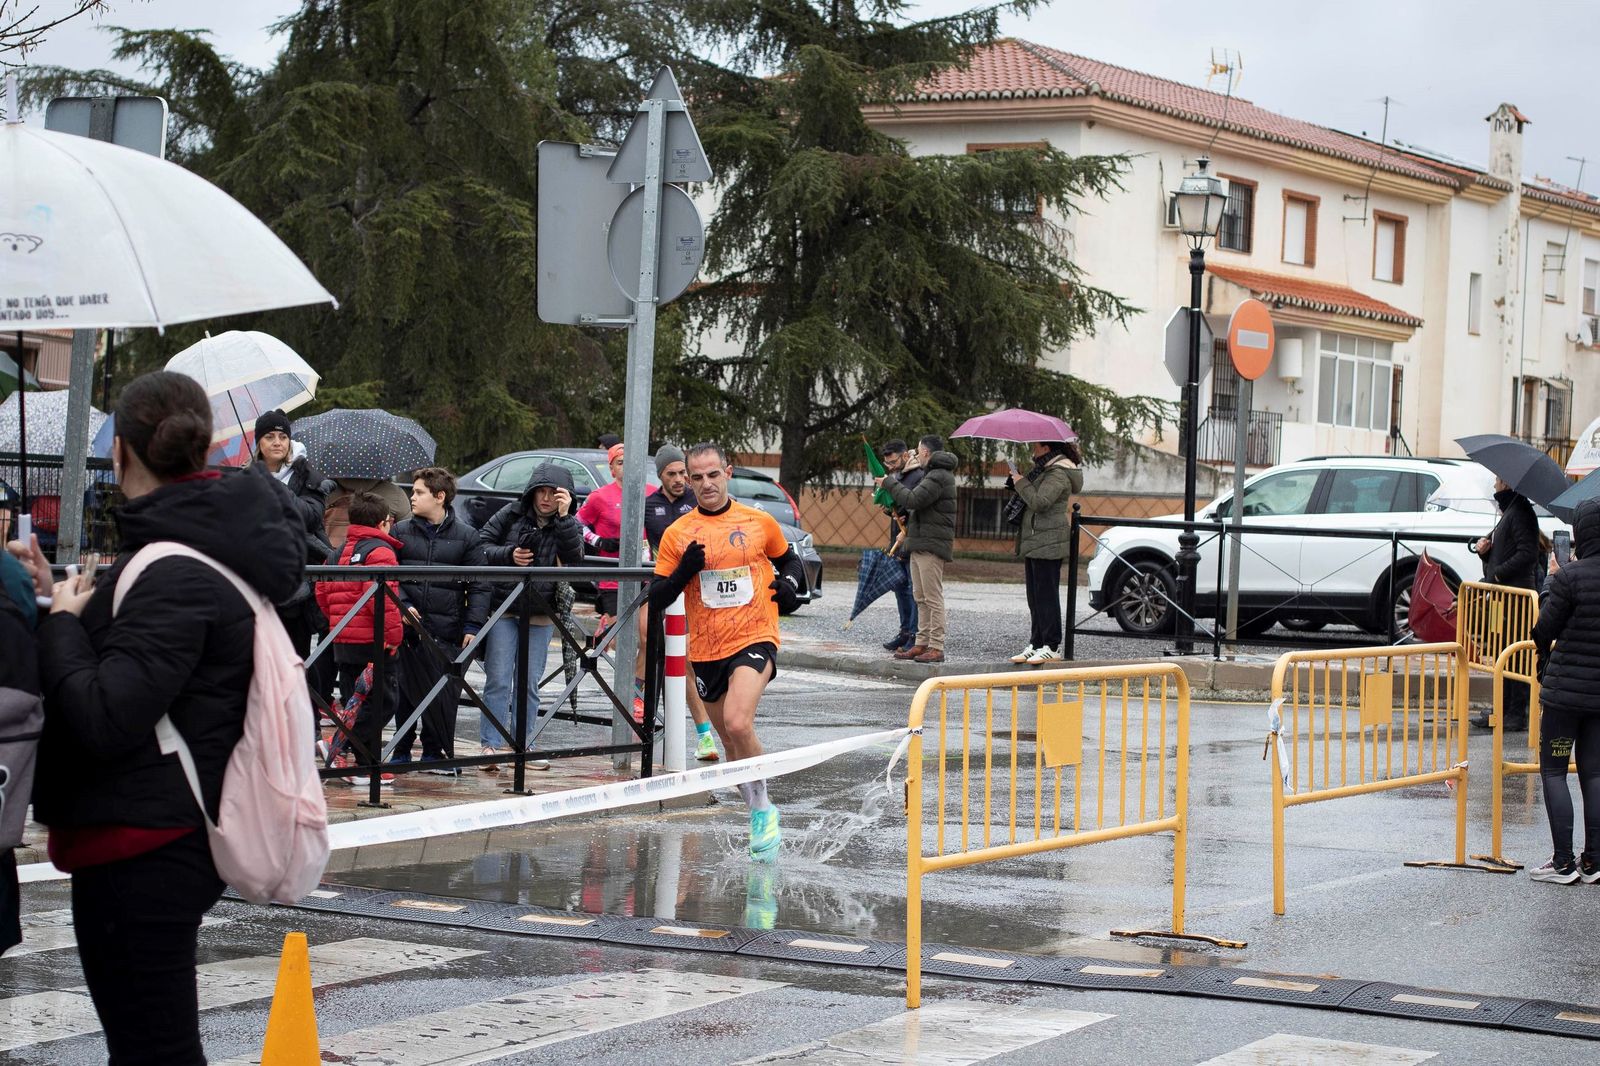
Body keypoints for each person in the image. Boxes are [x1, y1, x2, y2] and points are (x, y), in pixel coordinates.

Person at [14, 370, 302, 1063]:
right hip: (153, 832)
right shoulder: (194, 549)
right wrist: (65, 602)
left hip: (144, 843)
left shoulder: (175, 570)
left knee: (155, 1051)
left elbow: (107, 715)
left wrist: (60, 625)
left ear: (121, 455)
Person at [651, 442, 806, 860]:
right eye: (696, 477)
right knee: (728, 741)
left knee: (738, 723)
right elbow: (658, 594)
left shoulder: (758, 521)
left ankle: (761, 811)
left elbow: (791, 563)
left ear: (728, 473)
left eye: (712, 475)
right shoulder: (677, 534)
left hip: (755, 635)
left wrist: (790, 588)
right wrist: (685, 570)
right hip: (706, 648)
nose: (704, 484)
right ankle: (758, 806)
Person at [476, 463, 584, 768]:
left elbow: (576, 558)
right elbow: (482, 545)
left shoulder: (569, 523)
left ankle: (524, 745)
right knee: (497, 679)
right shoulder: (511, 514)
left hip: (541, 610)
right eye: (542, 492)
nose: (546, 499)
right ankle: (490, 746)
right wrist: (509, 555)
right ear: (532, 493)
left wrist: (564, 518)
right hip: (504, 606)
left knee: (528, 682)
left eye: (554, 493)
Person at [390, 467, 488, 771]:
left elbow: (481, 583)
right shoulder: (400, 531)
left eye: (419, 492)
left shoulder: (467, 536)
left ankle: (434, 752)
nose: (412, 496)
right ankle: (401, 748)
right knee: (406, 690)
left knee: (443, 691)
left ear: (440, 496)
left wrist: (473, 625)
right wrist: (403, 604)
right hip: (408, 628)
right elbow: (390, 577)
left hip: (448, 627)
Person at [1527, 498, 1600, 884]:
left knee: (1554, 771)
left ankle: (1562, 862)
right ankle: (1594, 862)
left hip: (1564, 697)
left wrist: (1552, 580)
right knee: (1595, 774)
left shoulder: (1570, 577)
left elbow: (1544, 630)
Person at [314, 491, 404, 783]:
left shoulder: (337, 552)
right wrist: (393, 635)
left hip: (342, 639)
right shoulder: (380, 552)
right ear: (382, 522)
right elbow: (383, 598)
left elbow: (321, 591)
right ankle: (336, 743)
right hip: (372, 640)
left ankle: (364, 766)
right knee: (384, 700)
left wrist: (336, 621)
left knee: (355, 699)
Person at [645, 444, 720, 762]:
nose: (678, 480)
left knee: (695, 663)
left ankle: (718, 728)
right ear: (660, 475)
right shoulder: (649, 506)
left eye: (681, 473)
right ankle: (700, 735)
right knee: (659, 650)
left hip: (706, 596)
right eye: (671, 474)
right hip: (667, 590)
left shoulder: (699, 500)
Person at [245, 408, 332, 677]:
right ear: (258, 442)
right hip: (257, 583)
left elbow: (310, 516)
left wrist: (276, 489)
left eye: (282, 436)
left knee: (296, 662)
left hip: (298, 582)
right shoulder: (245, 479)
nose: (277, 442)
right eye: (269, 436)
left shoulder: (307, 476)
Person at [577, 441, 653, 716]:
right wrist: (599, 541)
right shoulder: (600, 497)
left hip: (645, 575)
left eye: (632, 462)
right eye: (621, 463)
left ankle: (634, 693)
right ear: (611, 468)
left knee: (646, 638)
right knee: (622, 641)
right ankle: (605, 630)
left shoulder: (651, 494)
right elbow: (577, 523)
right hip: (613, 578)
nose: (627, 468)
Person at [878, 435, 957, 664]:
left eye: (919, 450)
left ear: (926, 452)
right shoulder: (933, 474)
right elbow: (919, 507)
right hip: (920, 542)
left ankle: (936, 646)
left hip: (931, 544)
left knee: (932, 597)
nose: (916, 454)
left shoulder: (939, 475)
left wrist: (889, 483)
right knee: (920, 596)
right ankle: (921, 643)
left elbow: (913, 499)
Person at [1469, 476, 1539, 731]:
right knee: (1501, 653)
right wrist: (1486, 554)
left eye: (1498, 480)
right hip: (1502, 598)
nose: (1494, 485)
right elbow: (1507, 553)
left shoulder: (1521, 512)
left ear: (1508, 484)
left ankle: (1515, 713)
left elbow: (1528, 553)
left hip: (1516, 598)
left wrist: (1498, 574)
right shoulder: (1511, 510)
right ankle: (1502, 708)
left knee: (1515, 656)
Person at [1006, 438, 1084, 664]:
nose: (1033, 450)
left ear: (1046, 448)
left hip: (1049, 541)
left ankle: (1051, 645)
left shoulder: (1058, 473)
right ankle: (1036, 643)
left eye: (1036, 446)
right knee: (1035, 597)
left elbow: (1040, 502)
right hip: (1035, 539)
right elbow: (1032, 496)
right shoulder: (1044, 470)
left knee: (1046, 596)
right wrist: (1017, 482)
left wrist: (1022, 483)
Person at [878, 439, 920, 654]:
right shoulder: (897, 475)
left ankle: (914, 635)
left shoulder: (919, 475)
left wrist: (906, 519)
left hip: (911, 540)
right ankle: (904, 631)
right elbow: (898, 506)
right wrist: (888, 508)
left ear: (905, 455)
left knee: (914, 591)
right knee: (900, 589)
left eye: (893, 462)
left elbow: (917, 507)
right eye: (887, 464)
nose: (891, 467)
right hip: (897, 539)